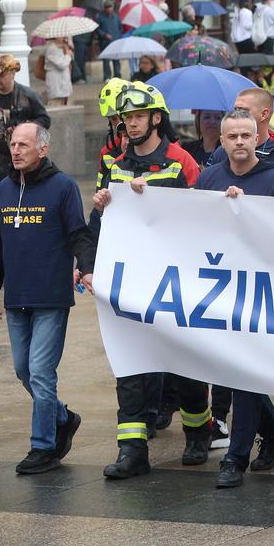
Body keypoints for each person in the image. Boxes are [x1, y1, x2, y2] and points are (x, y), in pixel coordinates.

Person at [90, 82, 205, 478]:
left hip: (176, 283)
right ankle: (132, 450)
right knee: (131, 366)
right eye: (127, 118)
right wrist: (104, 204)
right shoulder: (116, 163)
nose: (132, 124)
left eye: (139, 116)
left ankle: (197, 433)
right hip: (132, 283)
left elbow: (203, 218)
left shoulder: (180, 160)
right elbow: (102, 224)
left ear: (156, 118)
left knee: (183, 365)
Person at [196, 110, 274, 487]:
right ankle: (273, 437)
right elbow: (189, 224)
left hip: (264, 291)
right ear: (221, 142)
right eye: (232, 136)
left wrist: (246, 212)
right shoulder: (209, 178)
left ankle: (235, 459)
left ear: (259, 138)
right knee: (240, 372)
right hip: (223, 288)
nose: (239, 141)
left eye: (246, 135)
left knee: (244, 370)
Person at [0, 122, 94, 474]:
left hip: (50, 297)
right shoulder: (3, 189)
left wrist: (87, 266)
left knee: (41, 372)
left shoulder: (62, 187)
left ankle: (44, 446)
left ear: (43, 149)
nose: (15, 150)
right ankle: (63, 417)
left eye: (24, 145)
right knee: (23, 370)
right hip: (16, 297)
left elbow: (78, 233)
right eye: (13, 144)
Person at [0, 54, 50, 183]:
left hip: (17, 159)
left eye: (1, 75)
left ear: (12, 73)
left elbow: (44, 120)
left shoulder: (28, 96)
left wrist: (24, 129)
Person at [41, 36, 72, 107]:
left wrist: (66, 51)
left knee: (62, 105)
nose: (65, 38)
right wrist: (68, 55)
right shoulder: (52, 49)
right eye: (62, 36)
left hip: (62, 84)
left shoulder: (60, 48)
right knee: (55, 106)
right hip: (56, 84)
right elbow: (62, 65)